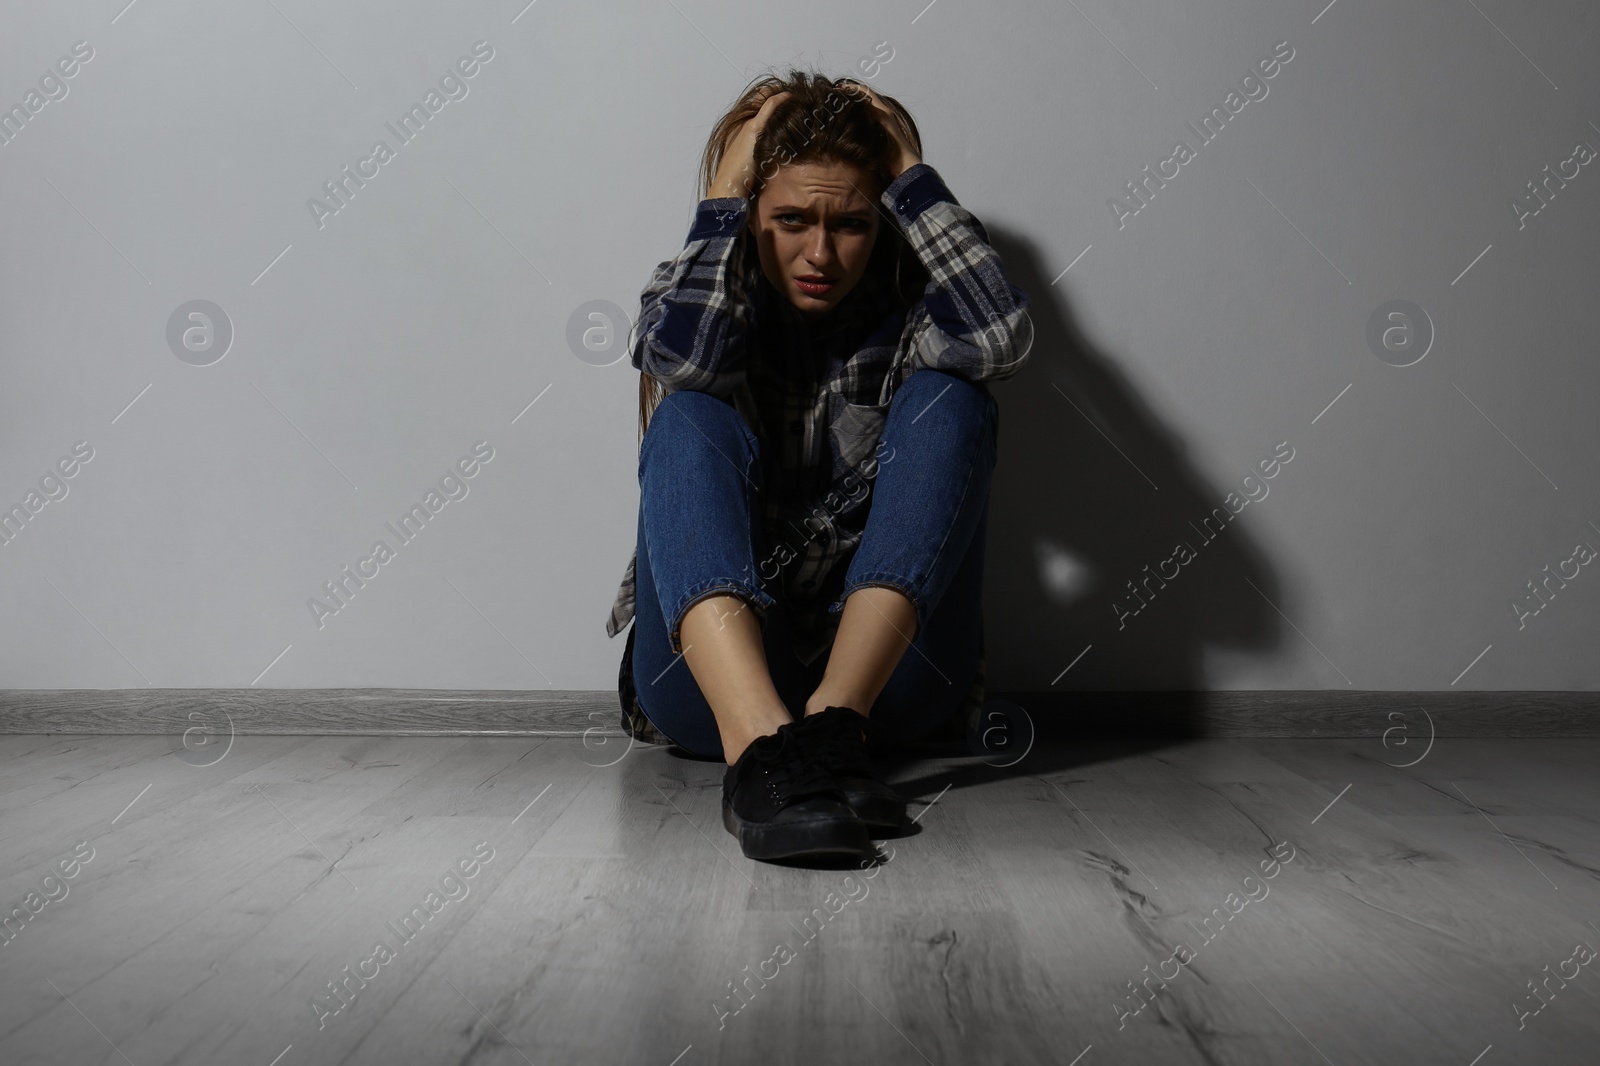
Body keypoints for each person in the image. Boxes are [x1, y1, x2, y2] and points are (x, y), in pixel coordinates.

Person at [603, 70, 1032, 863]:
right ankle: (765, 751)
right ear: (751, 214)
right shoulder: (699, 291)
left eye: (853, 225)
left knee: (956, 397)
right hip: (706, 695)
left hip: (885, 693)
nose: (821, 254)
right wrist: (729, 188)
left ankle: (833, 727)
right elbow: (679, 357)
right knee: (689, 407)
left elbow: (1000, 339)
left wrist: (907, 169)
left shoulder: (914, 314)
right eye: (791, 219)